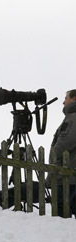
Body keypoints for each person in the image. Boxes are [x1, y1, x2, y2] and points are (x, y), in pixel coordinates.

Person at [46, 89, 76, 217]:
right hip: (70, 174)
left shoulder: (73, 117)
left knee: (62, 212)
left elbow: (67, 140)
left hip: (67, 176)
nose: (63, 102)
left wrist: (54, 154)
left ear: (74, 99)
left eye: (66, 98)